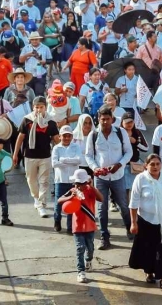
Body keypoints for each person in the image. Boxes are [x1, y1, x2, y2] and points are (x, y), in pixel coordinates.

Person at [129, 154, 162, 292]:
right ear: (146, 165)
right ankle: (149, 272)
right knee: (148, 248)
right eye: (152, 164)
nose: (155, 167)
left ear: (161, 165)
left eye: (157, 164)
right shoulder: (140, 179)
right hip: (145, 220)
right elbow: (133, 203)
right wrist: (134, 223)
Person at [86, 106, 135, 248]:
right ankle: (104, 237)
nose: (105, 122)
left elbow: (128, 152)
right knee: (102, 208)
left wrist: (119, 165)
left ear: (112, 119)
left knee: (123, 205)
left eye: (108, 119)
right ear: (98, 119)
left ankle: (129, 229)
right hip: (101, 178)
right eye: (103, 119)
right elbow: (88, 155)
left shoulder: (121, 133)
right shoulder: (93, 135)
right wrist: (95, 168)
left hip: (118, 175)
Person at [13, 96, 60, 217]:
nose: (39, 110)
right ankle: (36, 198)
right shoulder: (27, 120)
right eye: (36, 107)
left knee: (44, 182)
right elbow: (20, 137)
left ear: (45, 107)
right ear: (33, 107)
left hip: (45, 156)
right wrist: (15, 154)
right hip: (29, 156)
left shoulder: (51, 121)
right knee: (31, 180)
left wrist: (63, 150)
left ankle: (41, 205)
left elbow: (56, 139)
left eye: (41, 107)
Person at [57, 168, 103, 284]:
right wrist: (70, 197)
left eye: (82, 183)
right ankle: (81, 271)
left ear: (86, 182)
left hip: (90, 226)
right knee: (80, 248)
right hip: (77, 226)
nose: (79, 186)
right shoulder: (72, 191)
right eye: (77, 184)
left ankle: (89, 260)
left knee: (90, 248)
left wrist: (92, 186)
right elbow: (59, 200)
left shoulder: (90, 190)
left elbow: (101, 198)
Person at [52, 125, 83, 233]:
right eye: (64, 136)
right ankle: (57, 221)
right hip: (60, 180)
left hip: (73, 181)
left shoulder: (76, 147)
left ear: (72, 137)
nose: (66, 138)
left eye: (68, 136)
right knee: (58, 203)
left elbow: (79, 160)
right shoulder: (56, 148)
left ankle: (70, 226)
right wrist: (71, 161)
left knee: (72, 203)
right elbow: (54, 163)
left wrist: (64, 160)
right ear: (60, 136)